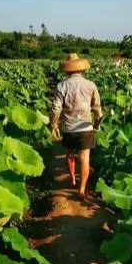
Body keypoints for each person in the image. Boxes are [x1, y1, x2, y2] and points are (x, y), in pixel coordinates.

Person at [50, 53, 103, 200]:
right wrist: (97, 122)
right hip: (86, 127)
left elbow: (56, 109)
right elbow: (97, 108)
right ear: (82, 70)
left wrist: (54, 124)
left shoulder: (61, 86)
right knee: (85, 157)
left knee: (69, 154)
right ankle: (81, 190)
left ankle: (73, 179)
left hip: (68, 127)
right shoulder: (90, 85)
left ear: (67, 70)